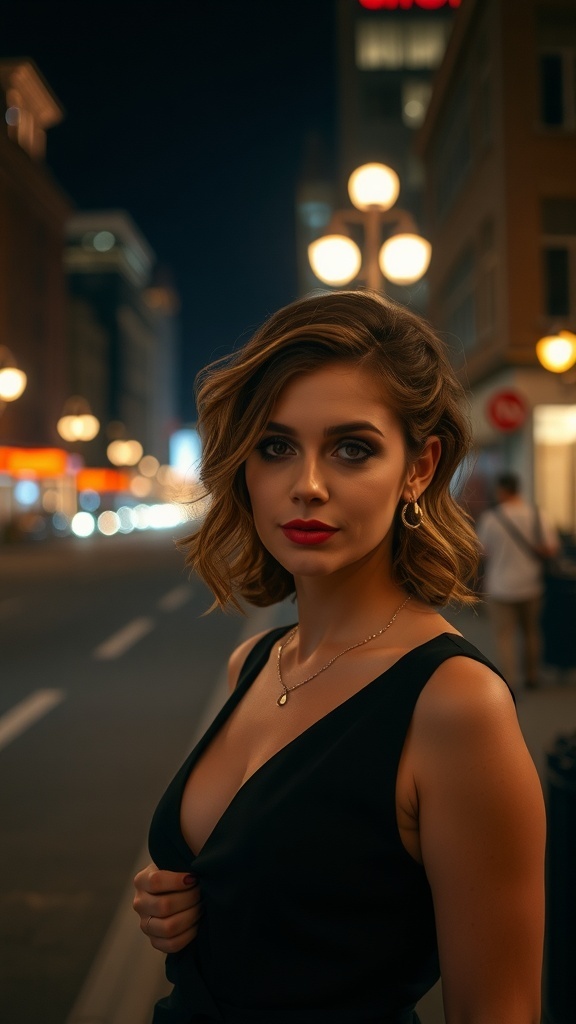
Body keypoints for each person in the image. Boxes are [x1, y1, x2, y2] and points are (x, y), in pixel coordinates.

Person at [133, 290, 545, 1024]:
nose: (308, 486)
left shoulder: (455, 704)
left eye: (352, 449)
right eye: (275, 447)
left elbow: (498, 1009)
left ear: (419, 468)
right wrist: (189, 904)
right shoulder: (254, 662)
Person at [476, 470, 560, 691]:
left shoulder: (491, 518)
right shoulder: (537, 515)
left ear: (501, 491)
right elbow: (552, 548)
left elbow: (482, 551)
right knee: (531, 631)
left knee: (504, 635)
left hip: (500, 586)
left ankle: (510, 680)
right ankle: (532, 676)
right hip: (531, 585)